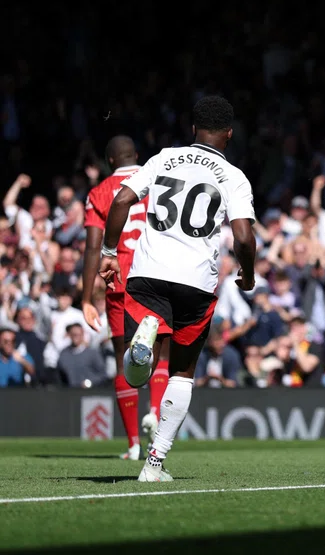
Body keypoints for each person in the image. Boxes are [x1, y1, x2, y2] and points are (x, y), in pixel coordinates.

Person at [98, 95, 257, 482]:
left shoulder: (164, 158)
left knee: (139, 367)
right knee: (183, 373)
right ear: (229, 134)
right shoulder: (233, 176)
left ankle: (142, 346)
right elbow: (243, 236)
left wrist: (109, 252)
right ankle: (154, 464)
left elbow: (121, 200)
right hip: (195, 282)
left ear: (193, 128)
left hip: (148, 273)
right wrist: (248, 273)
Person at [81, 135, 167, 461]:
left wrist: (86, 297)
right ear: (137, 155)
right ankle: (155, 411)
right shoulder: (157, 179)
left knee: (123, 359)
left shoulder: (99, 192)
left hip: (119, 280)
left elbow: (93, 247)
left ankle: (132, 445)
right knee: (162, 351)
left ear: (110, 161)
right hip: (156, 275)